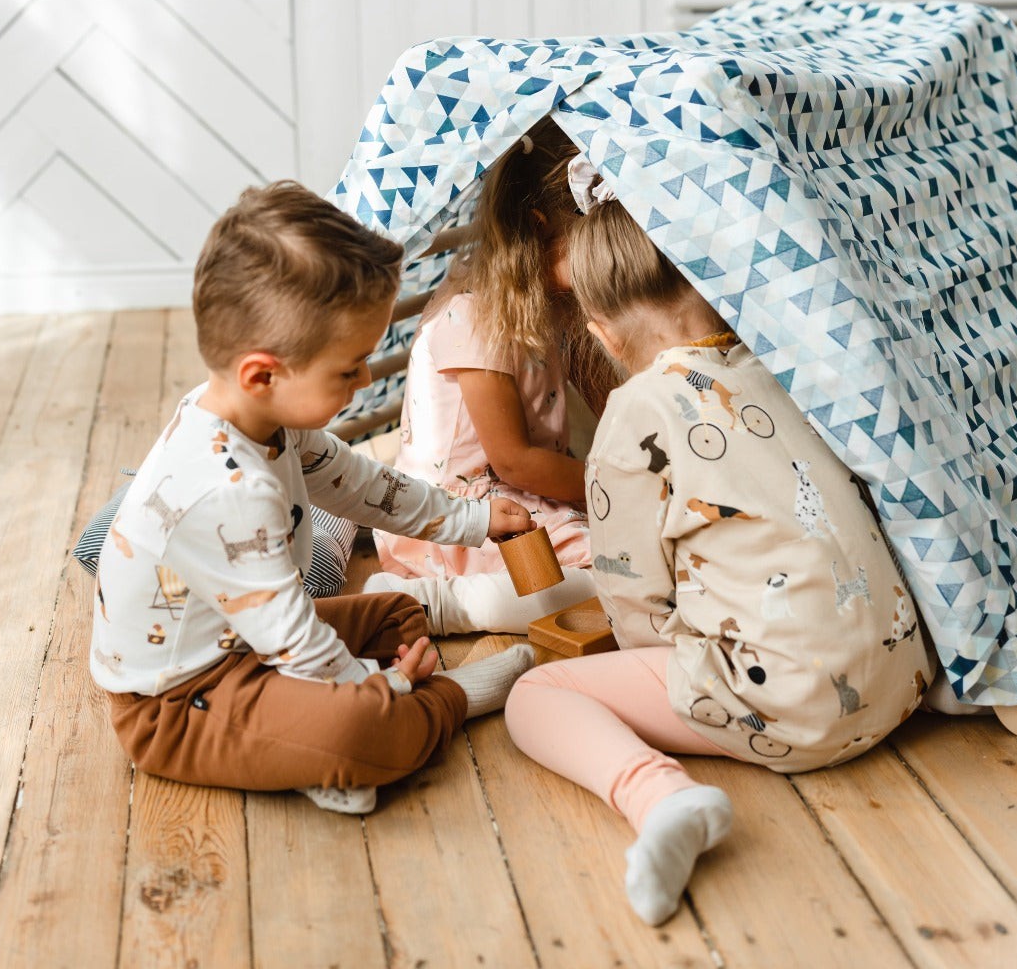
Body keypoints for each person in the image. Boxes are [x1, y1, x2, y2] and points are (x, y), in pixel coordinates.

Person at [504, 190, 936, 924]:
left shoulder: (634, 413)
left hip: (791, 708)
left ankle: (660, 797)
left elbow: (633, 601)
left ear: (603, 335)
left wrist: (656, 670)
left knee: (534, 697)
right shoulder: (787, 371)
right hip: (905, 676)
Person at [89, 182, 537, 815]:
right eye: (349, 367)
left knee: (398, 618)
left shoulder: (264, 419)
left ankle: (302, 750)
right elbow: (296, 642)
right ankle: (452, 700)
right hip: (177, 703)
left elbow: (363, 488)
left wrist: (477, 519)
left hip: (249, 644)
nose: (364, 379)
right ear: (263, 374)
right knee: (367, 730)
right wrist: (383, 687)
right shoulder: (226, 494)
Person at [362, 117, 616, 634]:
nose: (597, 266)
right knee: (616, 572)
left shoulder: (544, 301)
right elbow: (515, 462)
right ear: (540, 227)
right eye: (586, 250)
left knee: (630, 546)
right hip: (462, 514)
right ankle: (436, 605)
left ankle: (447, 599)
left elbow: (604, 404)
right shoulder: (475, 313)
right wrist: (615, 487)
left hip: (523, 495)